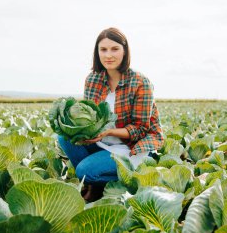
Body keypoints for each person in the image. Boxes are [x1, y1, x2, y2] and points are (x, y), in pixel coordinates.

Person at [58, 27, 163, 201]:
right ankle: (95, 183)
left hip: (132, 147)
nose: (108, 55)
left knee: (84, 170)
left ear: (125, 51)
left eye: (115, 49)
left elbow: (140, 130)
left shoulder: (140, 82)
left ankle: (136, 176)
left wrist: (108, 132)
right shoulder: (93, 79)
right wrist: (84, 131)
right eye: (103, 49)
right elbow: (91, 116)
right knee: (64, 138)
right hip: (103, 142)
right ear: (97, 52)